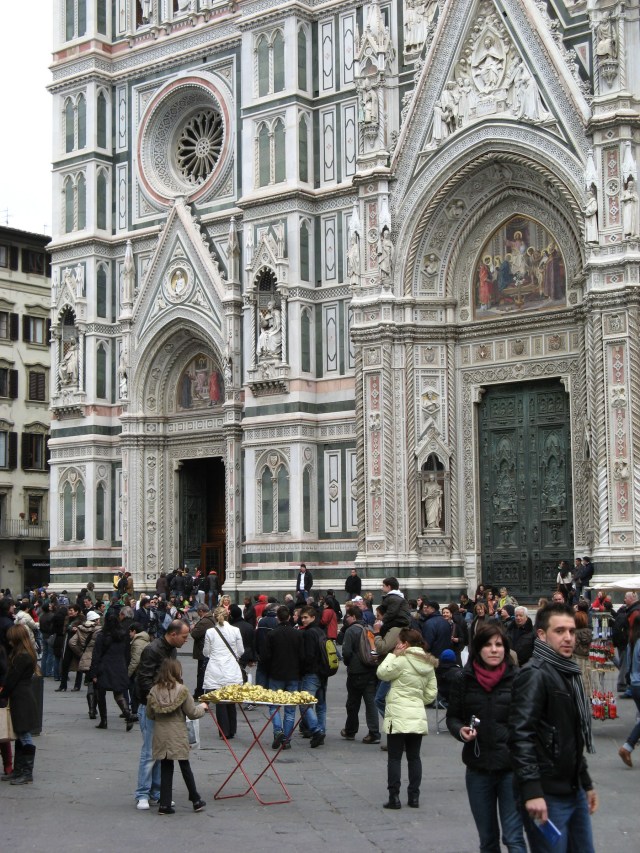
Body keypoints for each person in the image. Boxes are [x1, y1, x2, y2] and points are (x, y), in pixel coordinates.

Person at [509, 603, 597, 851]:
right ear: (542, 635)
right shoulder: (534, 675)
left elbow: (572, 736)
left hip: (573, 788)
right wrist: (532, 790)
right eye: (559, 631)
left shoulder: (568, 672)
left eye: (571, 631)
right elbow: (520, 735)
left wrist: (586, 782)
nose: (568, 637)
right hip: (546, 792)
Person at [447, 624, 526, 852]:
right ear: (478, 649)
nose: (494, 650)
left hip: (512, 769)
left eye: (499, 645)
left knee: (513, 838)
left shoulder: (519, 679)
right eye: (488, 645)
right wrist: (460, 731)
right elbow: (453, 716)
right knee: (488, 839)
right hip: (478, 769)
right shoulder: (464, 680)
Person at [377, 627, 437, 809]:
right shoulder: (428, 663)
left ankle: (394, 797)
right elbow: (432, 693)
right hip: (416, 713)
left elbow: (382, 672)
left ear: (405, 643)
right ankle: (414, 797)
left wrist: (393, 655)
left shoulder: (401, 660)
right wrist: (418, 701)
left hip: (398, 713)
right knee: (414, 757)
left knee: (394, 758)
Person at [135, 620, 191, 810]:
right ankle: (142, 793)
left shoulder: (171, 650)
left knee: (161, 752)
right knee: (150, 752)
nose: (186, 640)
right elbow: (143, 679)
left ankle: (157, 792)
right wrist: (159, 700)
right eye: (184, 636)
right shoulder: (152, 650)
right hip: (151, 707)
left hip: (164, 707)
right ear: (173, 634)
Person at [146, 659, 207, 815]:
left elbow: (150, 714)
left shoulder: (154, 691)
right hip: (177, 733)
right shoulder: (182, 690)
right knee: (185, 766)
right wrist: (203, 707)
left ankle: (165, 804)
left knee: (166, 767)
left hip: (161, 734)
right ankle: (195, 799)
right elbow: (192, 713)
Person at [0, 625, 39, 785]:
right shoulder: (25, 653)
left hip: (21, 698)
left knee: (24, 735)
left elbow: (11, 679)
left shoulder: (22, 656)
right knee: (21, 734)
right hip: (22, 697)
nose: (9, 640)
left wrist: (2, 694)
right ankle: (19, 770)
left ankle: (26, 772)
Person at [261, 605, 303, 749]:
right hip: (293, 674)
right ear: (290, 617)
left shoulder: (272, 635)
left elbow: (266, 656)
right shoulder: (297, 634)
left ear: (278, 618)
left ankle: (278, 730)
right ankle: (287, 739)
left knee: (274, 705)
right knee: (290, 709)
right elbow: (301, 656)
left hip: (276, 673)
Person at [89, 611, 137, 731]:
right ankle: (127, 713)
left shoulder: (102, 636)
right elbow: (127, 653)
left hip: (104, 666)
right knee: (118, 693)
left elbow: (96, 655)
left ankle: (104, 720)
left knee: (101, 694)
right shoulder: (123, 635)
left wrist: (93, 672)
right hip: (119, 666)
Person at [341, 605, 381, 745]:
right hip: (370, 669)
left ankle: (350, 730)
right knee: (371, 703)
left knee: (353, 702)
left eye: (347, 616)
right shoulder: (369, 628)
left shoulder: (351, 630)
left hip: (356, 671)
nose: (346, 618)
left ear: (352, 616)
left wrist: (349, 663)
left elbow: (346, 652)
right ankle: (374, 733)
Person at [202, 606, 244, 740]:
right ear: (228, 616)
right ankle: (232, 729)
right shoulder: (235, 630)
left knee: (220, 701)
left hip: (216, 668)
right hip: (231, 667)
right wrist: (233, 656)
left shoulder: (210, 632)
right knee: (231, 699)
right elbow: (241, 650)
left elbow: (206, 652)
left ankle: (224, 731)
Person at [298, 605, 328, 748]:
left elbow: (308, 655)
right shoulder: (321, 631)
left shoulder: (309, 633)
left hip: (311, 673)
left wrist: (302, 668)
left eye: (306, 617)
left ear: (313, 618)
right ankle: (321, 730)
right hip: (323, 672)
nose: (303, 620)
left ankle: (316, 730)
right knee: (321, 704)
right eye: (302, 617)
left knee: (304, 704)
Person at [618, 619, 640, 767]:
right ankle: (627, 747)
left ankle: (628, 747)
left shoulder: (632, 642)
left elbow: (625, 663)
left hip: (634, 684)